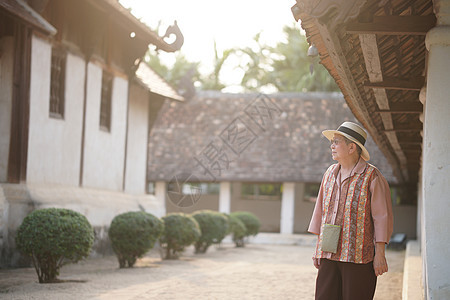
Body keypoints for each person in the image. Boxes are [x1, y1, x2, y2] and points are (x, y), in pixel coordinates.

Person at [309, 121, 393, 300]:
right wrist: (318, 248)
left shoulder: (372, 177)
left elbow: (381, 218)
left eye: (336, 142)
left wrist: (380, 255)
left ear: (352, 147)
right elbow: (321, 213)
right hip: (329, 253)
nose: (331, 146)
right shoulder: (329, 173)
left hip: (359, 257)